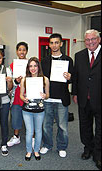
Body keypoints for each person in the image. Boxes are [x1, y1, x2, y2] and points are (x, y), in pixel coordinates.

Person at [71, 29, 101, 170]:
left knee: (100, 129)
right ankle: (88, 148)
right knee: (85, 126)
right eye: (87, 40)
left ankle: (98, 154)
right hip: (83, 98)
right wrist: (75, 93)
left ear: (99, 39)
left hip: (100, 100)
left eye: (93, 39)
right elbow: (76, 77)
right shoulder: (79, 55)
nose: (90, 42)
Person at [40, 33, 73, 158]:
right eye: (52, 43)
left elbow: (72, 78)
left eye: (56, 42)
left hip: (62, 98)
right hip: (48, 97)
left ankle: (62, 146)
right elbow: (41, 78)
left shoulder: (68, 60)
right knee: (46, 125)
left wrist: (70, 77)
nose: (54, 45)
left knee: (62, 125)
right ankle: (47, 145)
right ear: (49, 45)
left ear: (61, 44)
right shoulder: (44, 61)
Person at [20, 57, 49, 161]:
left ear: (38, 67)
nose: (33, 68)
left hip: (39, 110)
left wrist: (44, 95)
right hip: (27, 110)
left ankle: (36, 150)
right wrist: (24, 99)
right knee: (29, 131)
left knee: (38, 131)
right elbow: (21, 96)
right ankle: (28, 151)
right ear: (28, 67)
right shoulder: (24, 79)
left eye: (35, 66)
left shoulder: (44, 79)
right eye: (31, 66)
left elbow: (48, 95)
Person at [7, 42, 28, 147]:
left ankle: (32, 137)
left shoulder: (31, 64)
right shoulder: (12, 65)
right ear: (16, 51)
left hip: (29, 95)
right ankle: (16, 136)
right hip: (16, 95)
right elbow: (10, 84)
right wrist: (16, 81)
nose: (22, 52)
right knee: (15, 116)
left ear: (27, 51)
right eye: (20, 50)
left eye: (24, 50)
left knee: (31, 116)